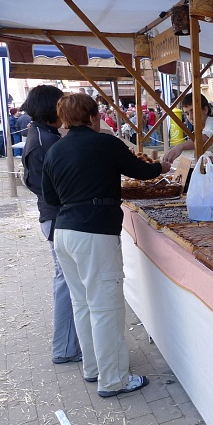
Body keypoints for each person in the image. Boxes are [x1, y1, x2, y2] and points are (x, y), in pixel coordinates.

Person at [42, 93, 171, 397]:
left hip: (64, 232)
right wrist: (163, 168)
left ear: (64, 119)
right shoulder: (105, 142)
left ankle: (94, 368)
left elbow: (50, 198)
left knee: (83, 304)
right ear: (93, 117)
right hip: (94, 234)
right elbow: (141, 171)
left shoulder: (55, 151)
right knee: (106, 307)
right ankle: (114, 379)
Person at [21, 86, 83, 366]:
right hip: (57, 218)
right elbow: (46, 187)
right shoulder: (44, 142)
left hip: (54, 217)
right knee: (67, 283)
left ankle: (68, 344)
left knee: (67, 281)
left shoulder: (43, 136)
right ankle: (66, 347)